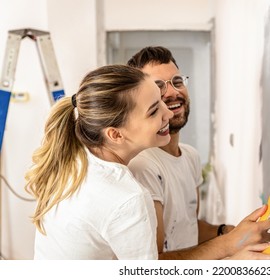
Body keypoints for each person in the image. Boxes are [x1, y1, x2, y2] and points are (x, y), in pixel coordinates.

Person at [127, 46, 270, 260]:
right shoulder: (143, 167)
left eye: (177, 81)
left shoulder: (190, 157)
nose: (173, 92)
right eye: (158, 86)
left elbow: (187, 229)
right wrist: (231, 247)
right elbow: (153, 263)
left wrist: (230, 231)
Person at [24, 65, 174, 259]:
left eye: (161, 101)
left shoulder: (72, 161)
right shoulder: (127, 200)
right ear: (115, 134)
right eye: (153, 111)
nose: (168, 113)